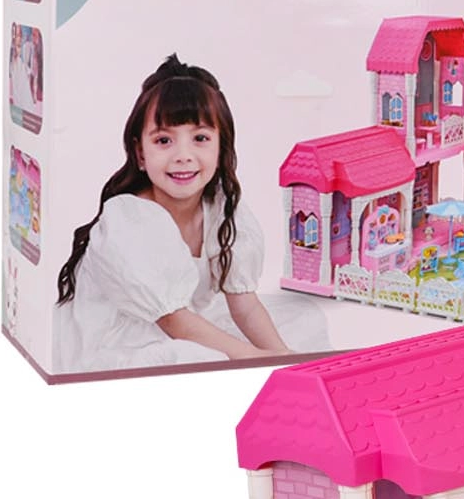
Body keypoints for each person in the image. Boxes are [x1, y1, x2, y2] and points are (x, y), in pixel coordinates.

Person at [55, 54, 323, 370]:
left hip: (184, 325)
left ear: (221, 147)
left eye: (200, 138)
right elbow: (174, 322)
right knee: (192, 357)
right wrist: (257, 359)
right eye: (164, 140)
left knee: (301, 321)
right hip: (119, 340)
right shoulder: (130, 219)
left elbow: (245, 305)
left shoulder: (221, 207)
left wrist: (283, 356)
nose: (183, 155)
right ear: (141, 154)